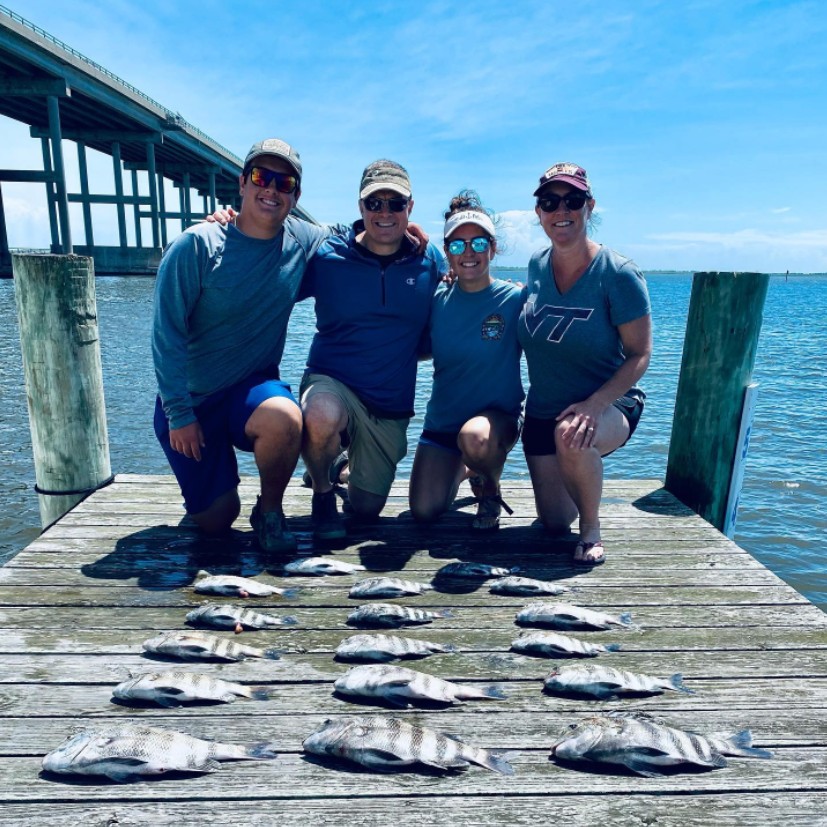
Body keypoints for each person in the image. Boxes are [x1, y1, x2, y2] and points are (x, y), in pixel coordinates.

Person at [152, 137, 345, 553]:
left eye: (284, 182)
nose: (271, 189)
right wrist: (179, 413)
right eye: (262, 177)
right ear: (241, 183)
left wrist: (431, 254)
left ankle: (270, 512)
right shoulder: (197, 244)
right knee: (217, 523)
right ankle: (211, 493)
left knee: (285, 416)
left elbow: (354, 235)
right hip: (191, 402)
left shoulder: (302, 239)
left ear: (295, 196)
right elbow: (165, 335)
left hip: (248, 392)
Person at [299, 160, 447, 541]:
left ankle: (341, 463)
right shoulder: (327, 256)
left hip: (389, 404)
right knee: (320, 414)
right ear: (360, 208)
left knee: (366, 511)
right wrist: (226, 225)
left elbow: (465, 298)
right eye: (374, 203)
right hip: (333, 381)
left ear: (409, 209)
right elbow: (269, 261)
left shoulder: (430, 260)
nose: (384, 212)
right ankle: (322, 494)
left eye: (395, 204)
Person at [518, 162, 652, 566]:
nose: (562, 211)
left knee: (572, 434)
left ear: (589, 206)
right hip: (543, 410)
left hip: (610, 403)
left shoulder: (618, 273)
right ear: (539, 213)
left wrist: (594, 406)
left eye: (573, 200)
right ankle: (578, 477)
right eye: (550, 202)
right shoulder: (536, 266)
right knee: (554, 522)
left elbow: (640, 354)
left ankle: (591, 529)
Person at [409, 191, 525, 530]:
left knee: (475, 438)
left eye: (477, 243)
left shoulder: (516, 299)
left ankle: (488, 488)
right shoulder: (436, 300)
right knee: (424, 512)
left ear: (492, 247)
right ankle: (465, 469)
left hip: (495, 423)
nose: (468, 253)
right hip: (443, 424)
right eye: (457, 246)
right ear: (447, 254)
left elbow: (553, 351)